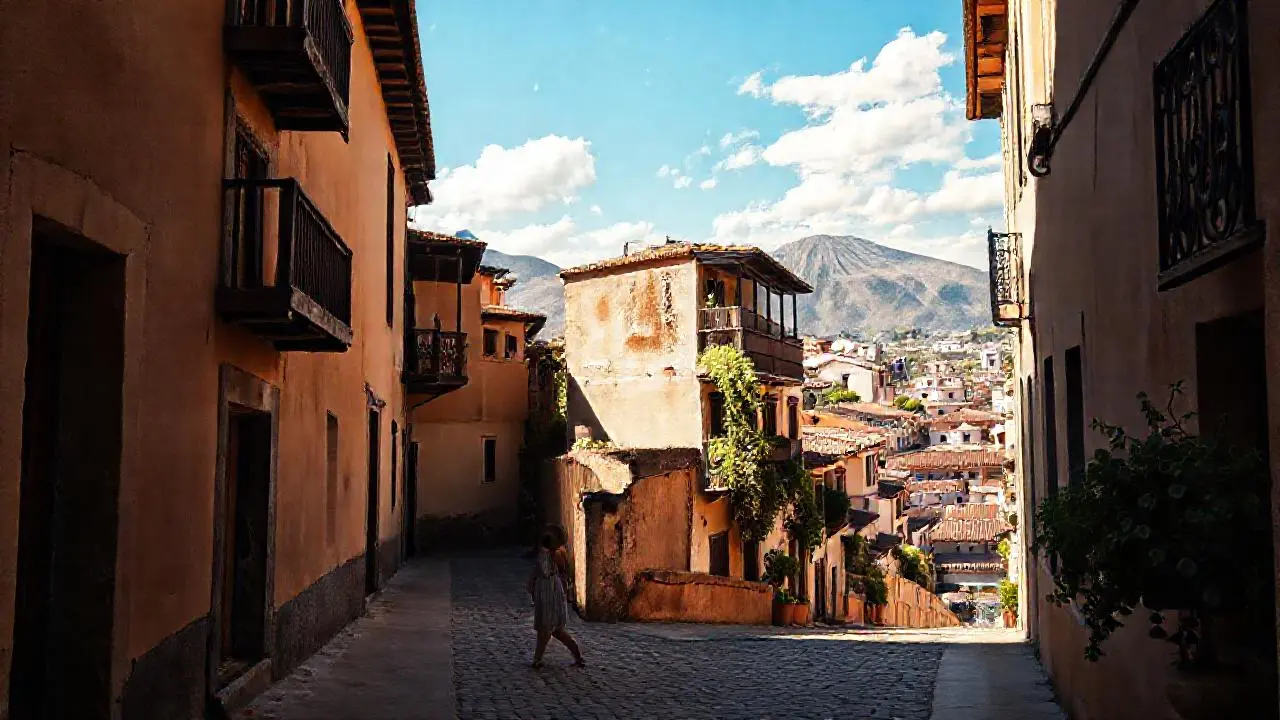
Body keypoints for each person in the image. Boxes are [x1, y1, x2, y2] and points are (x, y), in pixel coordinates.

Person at [527, 525, 585, 668]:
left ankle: (538, 659)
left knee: (547, 628)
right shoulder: (543, 554)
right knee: (554, 630)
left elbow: (560, 573)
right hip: (544, 590)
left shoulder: (557, 555)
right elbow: (538, 571)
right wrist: (532, 585)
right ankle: (577, 657)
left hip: (551, 591)